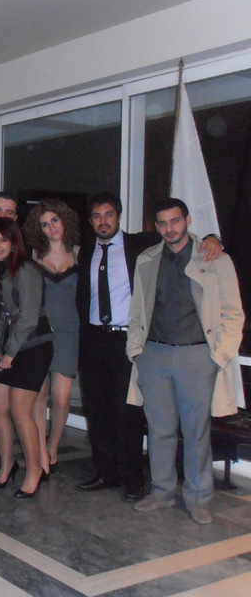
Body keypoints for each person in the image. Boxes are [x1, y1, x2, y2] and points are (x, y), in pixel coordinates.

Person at [75, 192, 222, 502]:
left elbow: (183, 239)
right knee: (97, 409)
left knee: (128, 411)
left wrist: (214, 238)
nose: (103, 221)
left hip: (127, 339)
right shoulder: (85, 250)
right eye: (97, 216)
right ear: (91, 221)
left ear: (118, 216)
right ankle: (105, 470)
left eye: (109, 215)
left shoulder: (142, 245)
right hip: (93, 340)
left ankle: (132, 478)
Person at [128, 198, 244, 524]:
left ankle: (198, 497)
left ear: (188, 220)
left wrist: (218, 356)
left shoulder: (214, 259)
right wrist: (136, 350)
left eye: (175, 221)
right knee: (160, 429)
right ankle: (162, 492)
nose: (170, 229)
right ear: (156, 226)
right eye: (163, 223)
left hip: (197, 356)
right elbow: (138, 310)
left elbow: (233, 313)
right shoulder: (147, 259)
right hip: (154, 354)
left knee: (196, 431)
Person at [0, 218, 54, 498]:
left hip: (33, 346)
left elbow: (27, 319)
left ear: (15, 242)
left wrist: (10, 353)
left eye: (3, 239)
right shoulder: (4, 269)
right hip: (11, 347)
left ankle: (34, 470)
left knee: (20, 410)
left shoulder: (26, 269)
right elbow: (3, 315)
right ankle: (7, 465)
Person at [23, 199, 80, 474]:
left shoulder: (80, 253)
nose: (51, 227)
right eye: (44, 224)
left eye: (54, 220)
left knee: (61, 398)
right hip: (40, 333)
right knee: (38, 395)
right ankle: (38, 453)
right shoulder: (33, 255)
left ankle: (52, 446)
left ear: (64, 220)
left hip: (69, 332)